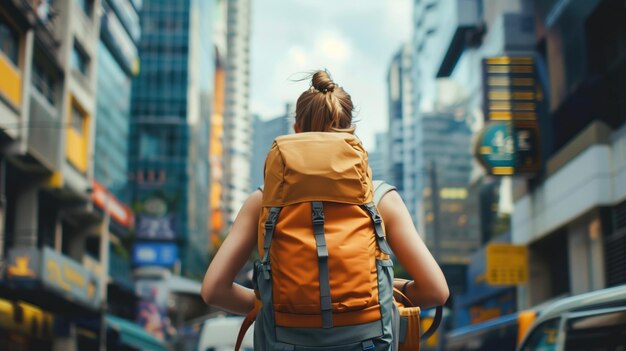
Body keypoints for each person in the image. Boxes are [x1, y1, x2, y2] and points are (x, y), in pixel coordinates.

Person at [201, 69, 449, 322]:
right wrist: (381, 293)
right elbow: (435, 291)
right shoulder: (381, 198)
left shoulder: (261, 202)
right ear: (350, 130)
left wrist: (272, 304)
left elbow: (214, 291)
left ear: (297, 129)